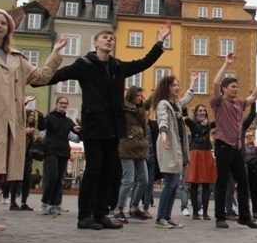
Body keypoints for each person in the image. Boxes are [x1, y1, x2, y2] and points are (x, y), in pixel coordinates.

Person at [44, 22, 171, 230]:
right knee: (93, 171)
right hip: (93, 126)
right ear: (96, 43)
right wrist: (55, 54)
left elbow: (145, 62)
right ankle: (84, 216)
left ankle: (101, 214)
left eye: (111, 38)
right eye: (105, 37)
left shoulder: (117, 66)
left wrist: (161, 40)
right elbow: (54, 76)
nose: (109, 40)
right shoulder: (83, 65)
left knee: (110, 172)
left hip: (113, 127)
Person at [0, 9, 67, 231]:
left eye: (3, 23)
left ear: (9, 29)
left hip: (7, 122)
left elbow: (41, 77)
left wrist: (55, 53)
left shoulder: (16, 58)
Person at [211, 53, 257, 229]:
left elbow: (254, 98)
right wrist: (226, 64)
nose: (236, 89)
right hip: (223, 146)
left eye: (236, 87)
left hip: (237, 148)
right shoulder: (218, 102)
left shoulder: (239, 104)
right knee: (222, 181)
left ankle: (245, 216)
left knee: (243, 183)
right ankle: (220, 217)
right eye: (233, 87)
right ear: (225, 89)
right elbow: (214, 83)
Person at [152, 73, 196, 228]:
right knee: (170, 183)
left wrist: (192, 83)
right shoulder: (163, 104)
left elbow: (186, 99)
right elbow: (162, 119)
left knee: (175, 183)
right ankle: (160, 217)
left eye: (178, 85)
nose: (177, 88)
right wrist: (163, 134)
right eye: (174, 85)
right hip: (168, 145)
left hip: (176, 147)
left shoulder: (176, 104)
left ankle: (167, 216)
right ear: (167, 88)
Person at [113, 86, 150, 223]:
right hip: (127, 147)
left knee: (144, 180)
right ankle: (119, 210)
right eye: (138, 95)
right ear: (131, 96)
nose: (140, 98)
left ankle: (134, 208)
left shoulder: (141, 110)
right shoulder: (124, 108)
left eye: (141, 96)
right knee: (128, 180)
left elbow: (150, 102)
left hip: (140, 147)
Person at [38, 96, 80, 216]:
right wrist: (40, 117)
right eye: (61, 103)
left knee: (59, 180)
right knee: (52, 177)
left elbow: (76, 133)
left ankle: (53, 204)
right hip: (51, 151)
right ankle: (44, 203)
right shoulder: (50, 117)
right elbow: (41, 127)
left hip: (64, 152)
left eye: (66, 103)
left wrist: (80, 128)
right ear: (56, 104)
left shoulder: (68, 121)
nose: (64, 105)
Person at [184, 104, 217, 220]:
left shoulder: (208, 124)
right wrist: (184, 105)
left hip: (206, 152)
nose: (202, 112)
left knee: (206, 184)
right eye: (200, 110)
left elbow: (220, 120)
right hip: (196, 152)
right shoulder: (193, 124)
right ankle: (195, 212)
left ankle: (205, 212)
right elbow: (185, 117)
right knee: (194, 183)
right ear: (196, 112)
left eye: (204, 110)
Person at [9, 107, 43, 211]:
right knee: (16, 178)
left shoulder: (32, 130)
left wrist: (37, 141)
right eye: (30, 115)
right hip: (18, 156)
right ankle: (13, 202)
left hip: (28, 157)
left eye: (33, 115)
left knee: (27, 179)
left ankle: (24, 202)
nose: (32, 117)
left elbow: (31, 146)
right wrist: (25, 131)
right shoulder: (20, 127)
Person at [244, 130, 257, 220]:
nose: (249, 137)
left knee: (254, 192)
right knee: (245, 192)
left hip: (255, 171)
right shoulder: (243, 146)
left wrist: (255, 143)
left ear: (253, 136)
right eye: (247, 136)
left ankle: (255, 211)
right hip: (246, 170)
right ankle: (246, 211)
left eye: (250, 135)